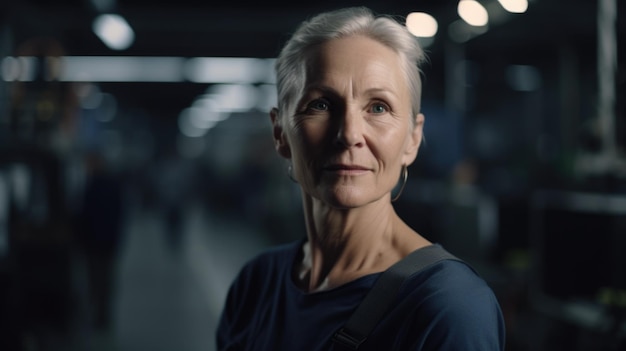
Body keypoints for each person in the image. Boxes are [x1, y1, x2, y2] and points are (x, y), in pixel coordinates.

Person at [216, 6, 505, 350]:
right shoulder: (256, 284)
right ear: (280, 133)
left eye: (378, 107)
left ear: (412, 139)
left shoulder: (449, 306)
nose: (349, 133)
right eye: (321, 104)